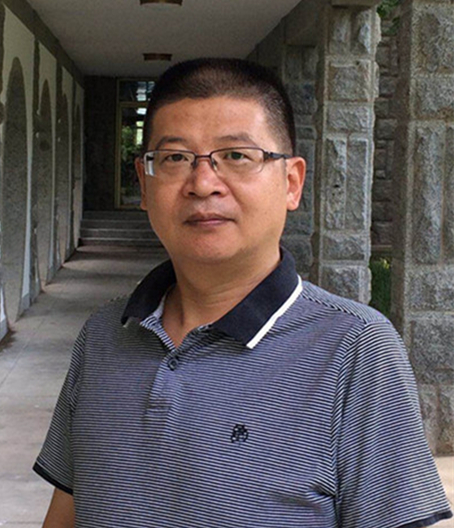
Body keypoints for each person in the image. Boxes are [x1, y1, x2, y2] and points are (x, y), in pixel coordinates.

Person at [34, 58, 452, 528]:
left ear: (291, 182)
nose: (203, 184)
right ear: (145, 184)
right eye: (175, 158)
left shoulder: (354, 348)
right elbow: (67, 510)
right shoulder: (104, 335)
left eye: (236, 155)